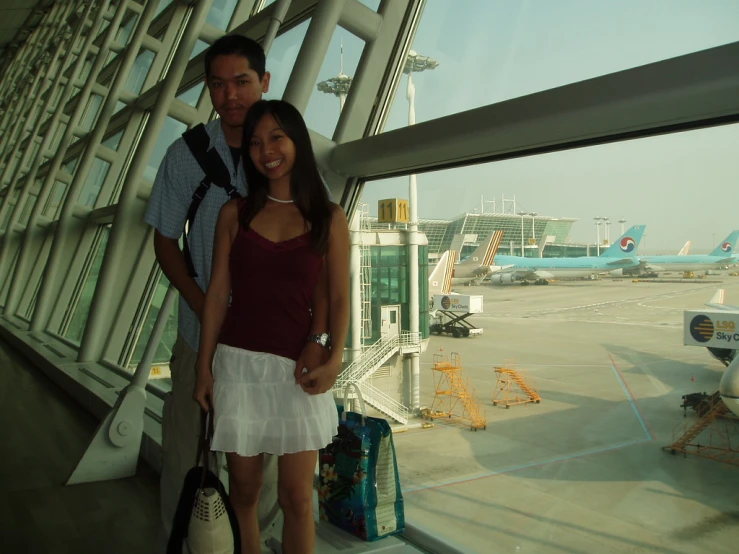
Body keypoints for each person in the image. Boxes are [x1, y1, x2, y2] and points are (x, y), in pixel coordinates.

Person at [144, 35, 329, 551]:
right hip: (199, 338)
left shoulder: (291, 156)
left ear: (265, 83)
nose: (230, 96)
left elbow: (323, 262)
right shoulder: (187, 157)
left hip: (278, 349)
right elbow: (164, 239)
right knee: (188, 458)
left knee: (264, 479)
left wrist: (323, 338)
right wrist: (201, 305)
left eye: (242, 82)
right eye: (218, 85)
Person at [193, 99, 350, 554]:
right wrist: (205, 370)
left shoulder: (329, 217)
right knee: (244, 492)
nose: (266, 150)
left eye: (276, 137)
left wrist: (333, 355)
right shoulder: (234, 215)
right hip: (238, 369)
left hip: (296, 374)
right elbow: (217, 297)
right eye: (256, 142)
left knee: (298, 498)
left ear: (297, 140)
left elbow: (339, 296)